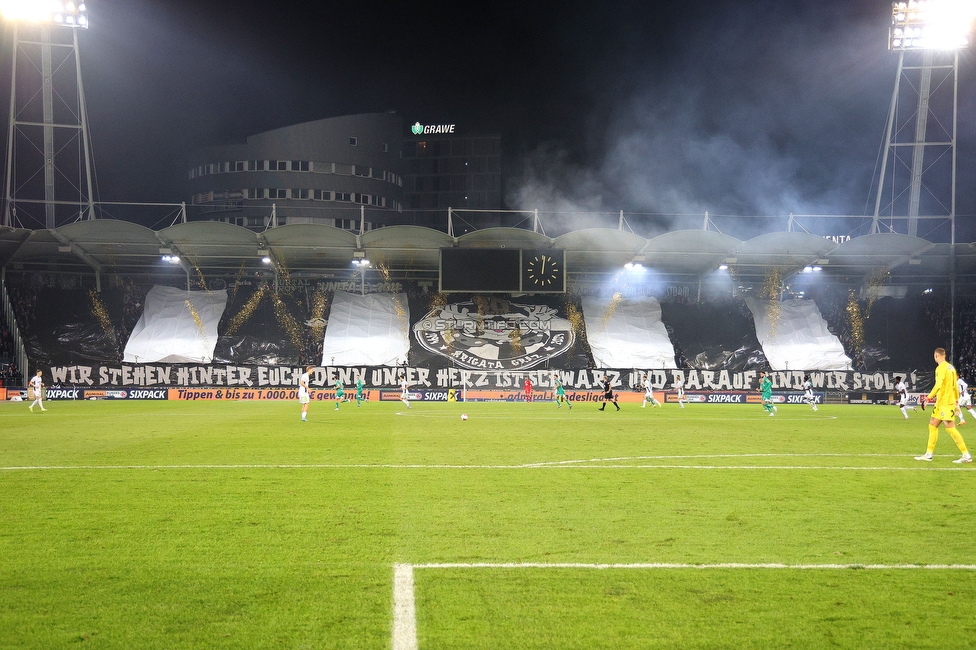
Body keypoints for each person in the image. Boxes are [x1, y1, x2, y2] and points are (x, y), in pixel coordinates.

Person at [915, 348, 971, 463]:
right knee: (932, 425)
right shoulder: (951, 368)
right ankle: (928, 454)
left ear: (936, 355)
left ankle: (966, 455)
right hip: (942, 403)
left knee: (950, 428)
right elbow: (955, 386)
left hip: (945, 403)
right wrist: (956, 401)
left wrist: (928, 398)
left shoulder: (940, 368)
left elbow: (938, 385)